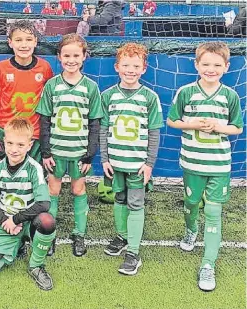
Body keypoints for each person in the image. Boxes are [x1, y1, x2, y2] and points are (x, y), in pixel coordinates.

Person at [167, 42, 243, 291]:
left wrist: (218, 127)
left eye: (217, 65)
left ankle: (208, 265)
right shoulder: (186, 92)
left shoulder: (230, 95)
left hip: (219, 166)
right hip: (191, 163)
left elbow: (237, 127)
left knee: (213, 213)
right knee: (191, 204)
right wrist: (192, 124)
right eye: (206, 64)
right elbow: (172, 121)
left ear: (226, 67)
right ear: (197, 65)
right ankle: (191, 230)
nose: (211, 69)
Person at [36, 34, 102, 257]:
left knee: (78, 189)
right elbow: (44, 120)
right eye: (66, 55)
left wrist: (90, 155)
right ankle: (49, 234)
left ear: (84, 57)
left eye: (76, 55)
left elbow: (94, 123)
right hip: (56, 152)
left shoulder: (91, 87)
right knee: (52, 189)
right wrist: (46, 152)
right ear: (59, 57)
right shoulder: (52, 85)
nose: (71, 60)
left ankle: (79, 233)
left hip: (79, 153)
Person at [100, 43, 163, 275]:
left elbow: (154, 133)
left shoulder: (150, 97)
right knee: (119, 198)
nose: (130, 70)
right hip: (116, 162)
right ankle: (123, 236)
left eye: (136, 66)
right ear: (117, 67)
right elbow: (103, 128)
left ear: (144, 68)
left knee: (135, 203)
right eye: (126, 65)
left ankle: (133, 253)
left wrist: (149, 164)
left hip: (137, 165)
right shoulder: (107, 96)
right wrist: (105, 158)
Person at [0, 118, 56, 291]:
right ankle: (16, 246)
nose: (14, 149)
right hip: (6, 223)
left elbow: (43, 203)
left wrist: (16, 220)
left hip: (29, 222)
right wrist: (6, 221)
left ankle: (36, 265)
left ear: (29, 145)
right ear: (4, 142)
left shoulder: (35, 168)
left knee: (47, 221)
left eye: (20, 145)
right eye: (10, 143)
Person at [0, 20, 54, 164]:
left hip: (34, 131)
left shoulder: (44, 67)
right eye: (18, 40)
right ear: (10, 42)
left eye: (29, 39)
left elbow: (50, 100)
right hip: (7, 130)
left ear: (35, 41)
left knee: (33, 172)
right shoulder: (2, 68)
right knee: (9, 172)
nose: (24, 45)